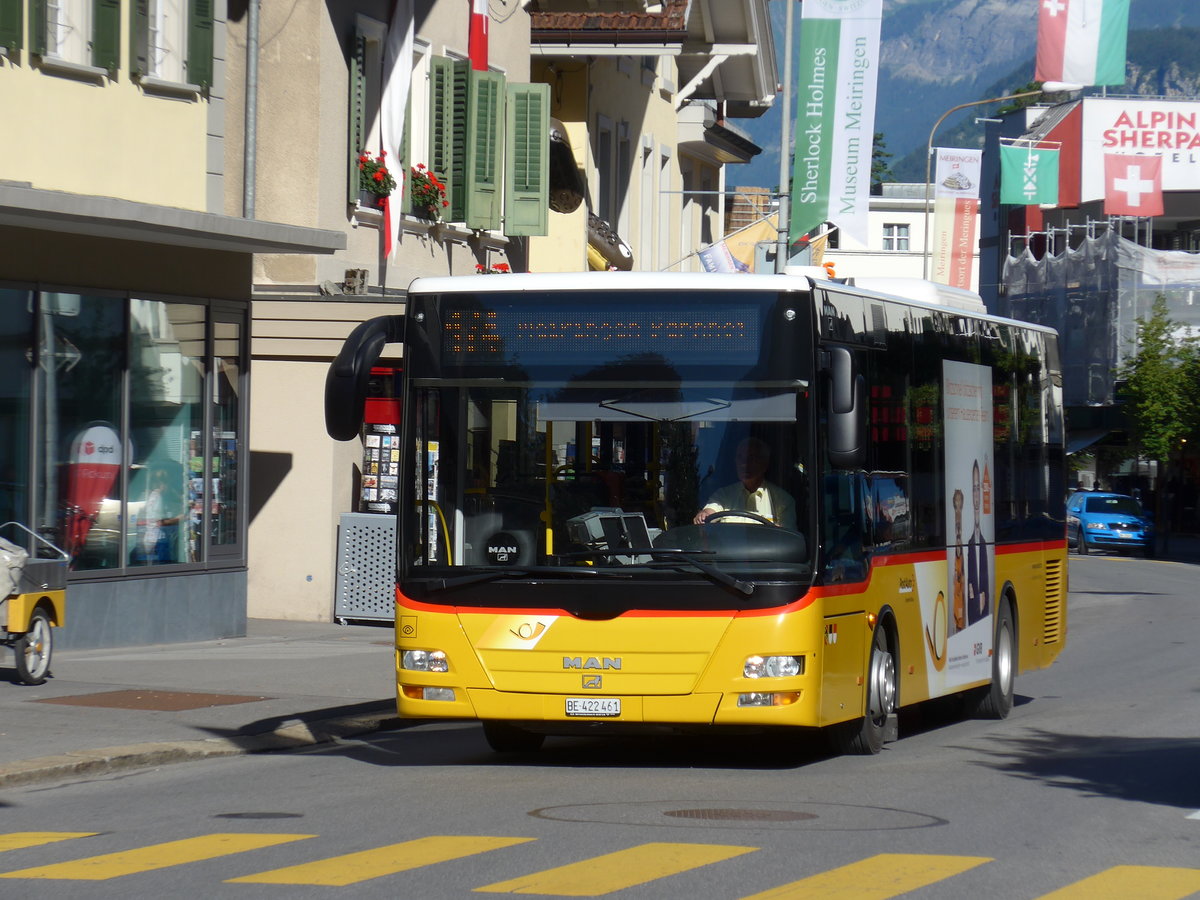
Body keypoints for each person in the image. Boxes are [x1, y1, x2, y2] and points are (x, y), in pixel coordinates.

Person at [693, 437, 796, 530]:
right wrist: (703, 515)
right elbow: (708, 513)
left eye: (751, 458)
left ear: (764, 464)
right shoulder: (723, 495)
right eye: (740, 457)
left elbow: (787, 538)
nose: (744, 463)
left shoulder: (783, 501)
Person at [966, 460, 989, 624]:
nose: (975, 494)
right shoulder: (970, 542)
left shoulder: (983, 542)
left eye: (977, 489)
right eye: (973, 489)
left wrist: (983, 596)